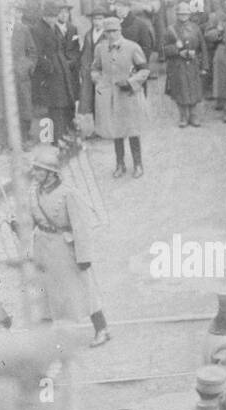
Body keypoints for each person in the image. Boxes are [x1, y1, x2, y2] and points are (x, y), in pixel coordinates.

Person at [27, 146, 111, 348]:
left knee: (83, 289)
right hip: (44, 248)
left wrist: (84, 257)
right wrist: (17, 225)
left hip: (66, 249)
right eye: (35, 169)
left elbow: (81, 227)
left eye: (39, 170)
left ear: (51, 173)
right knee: (46, 292)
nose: (35, 174)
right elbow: (32, 221)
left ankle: (102, 328)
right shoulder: (34, 193)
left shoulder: (68, 194)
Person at [91, 16, 149, 178]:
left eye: (114, 31)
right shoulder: (100, 49)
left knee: (132, 130)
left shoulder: (132, 47)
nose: (111, 35)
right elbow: (95, 68)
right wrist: (99, 81)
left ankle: (138, 164)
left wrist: (130, 82)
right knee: (116, 131)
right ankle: (120, 164)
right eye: (107, 32)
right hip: (111, 97)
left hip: (129, 95)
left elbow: (144, 70)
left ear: (120, 30)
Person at [30, 0, 82, 144]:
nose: (53, 18)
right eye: (50, 15)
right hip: (50, 74)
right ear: (44, 15)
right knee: (54, 105)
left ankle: (61, 133)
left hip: (61, 70)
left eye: (54, 15)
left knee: (62, 103)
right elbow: (37, 53)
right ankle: (55, 138)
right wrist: (49, 68)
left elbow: (61, 47)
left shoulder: (53, 27)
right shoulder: (38, 29)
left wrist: (62, 66)